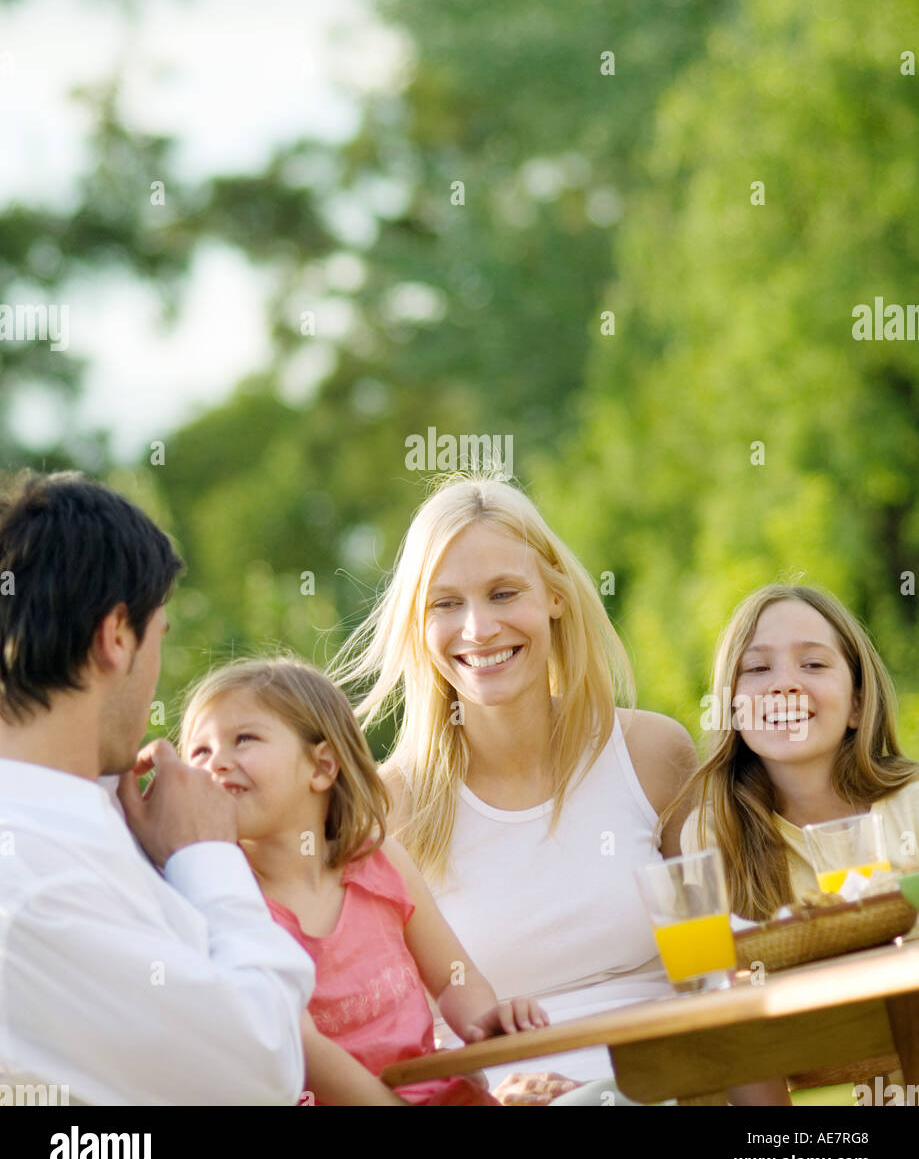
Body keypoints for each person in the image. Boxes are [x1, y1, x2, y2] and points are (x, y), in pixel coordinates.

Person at [329, 472, 700, 1106]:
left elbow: (715, 973)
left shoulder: (651, 754)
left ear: (555, 596)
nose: (478, 628)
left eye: (504, 593)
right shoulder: (387, 810)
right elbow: (387, 1039)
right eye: (446, 604)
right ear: (419, 624)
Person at [0, 470, 315, 1105]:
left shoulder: (82, 820)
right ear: (117, 636)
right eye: (159, 639)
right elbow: (260, 1066)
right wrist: (209, 857)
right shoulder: (32, 888)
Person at [180, 655, 550, 1106]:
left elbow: (455, 977)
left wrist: (484, 1022)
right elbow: (302, 1051)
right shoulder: (226, 903)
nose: (216, 763)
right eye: (199, 751)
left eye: (243, 739)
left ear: (321, 767)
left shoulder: (381, 862)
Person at [673, 582, 919, 919]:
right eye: (758, 668)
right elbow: (719, 964)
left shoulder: (912, 805)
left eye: (814, 665)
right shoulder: (713, 835)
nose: (784, 683)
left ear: (857, 704)